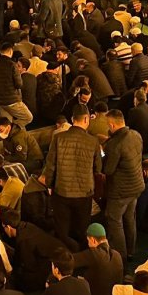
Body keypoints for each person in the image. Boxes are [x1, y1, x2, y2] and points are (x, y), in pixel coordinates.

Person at [42, 105, 102, 248]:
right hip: (84, 193)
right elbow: (98, 169)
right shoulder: (93, 141)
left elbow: (50, 166)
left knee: (63, 232)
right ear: (86, 119)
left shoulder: (58, 138)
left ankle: (65, 263)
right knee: (81, 231)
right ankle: (81, 258)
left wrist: (49, 185)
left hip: (62, 193)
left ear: (72, 119)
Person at [101, 109, 144, 262]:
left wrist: (101, 153)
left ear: (112, 125)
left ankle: (121, 257)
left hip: (120, 191)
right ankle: (131, 251)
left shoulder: (114, 145)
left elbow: (107, 169)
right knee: (129, 218)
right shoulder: (136, 135)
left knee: (114, 220)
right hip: (136, 186)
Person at [71, 224, 124, 295]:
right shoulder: (117, 255)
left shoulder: (94, 254)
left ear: (93, 240)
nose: (88, 244)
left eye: (88, 241)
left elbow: (68, 260)